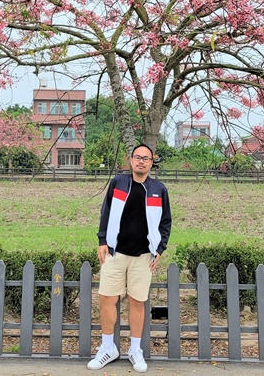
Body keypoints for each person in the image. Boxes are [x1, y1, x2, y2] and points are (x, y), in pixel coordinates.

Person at [88, 144, 171, 373]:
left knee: (137, 302)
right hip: (115, 252)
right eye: (137, 157)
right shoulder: (118, 183)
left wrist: (160, 249)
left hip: (144, 256)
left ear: (151, 162)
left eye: (146, 158)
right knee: (107, 299)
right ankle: (107, 348)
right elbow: (105, 212)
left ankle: (135, 350)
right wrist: (102, 240)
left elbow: (165, 222)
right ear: (131, 160)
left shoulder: (158, 189)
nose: (141, 161)